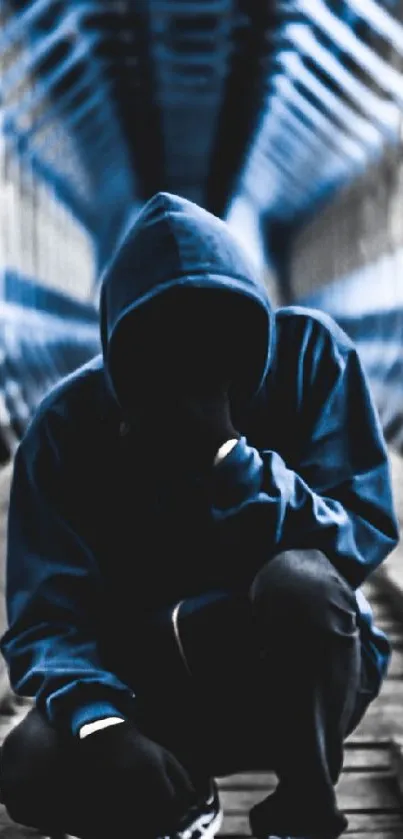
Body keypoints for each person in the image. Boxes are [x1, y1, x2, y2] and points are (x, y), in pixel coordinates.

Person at [0, 191, 399, 839]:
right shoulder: (68, 426)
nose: (192, 362)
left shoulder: (310, 360)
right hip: (148, 682)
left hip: (295, 675)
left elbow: (357, 534)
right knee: (27, 768)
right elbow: (46, 616)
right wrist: (105, 725)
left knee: (301, 580)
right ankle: (176, 794)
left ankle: (303, 799)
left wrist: (230, 459)